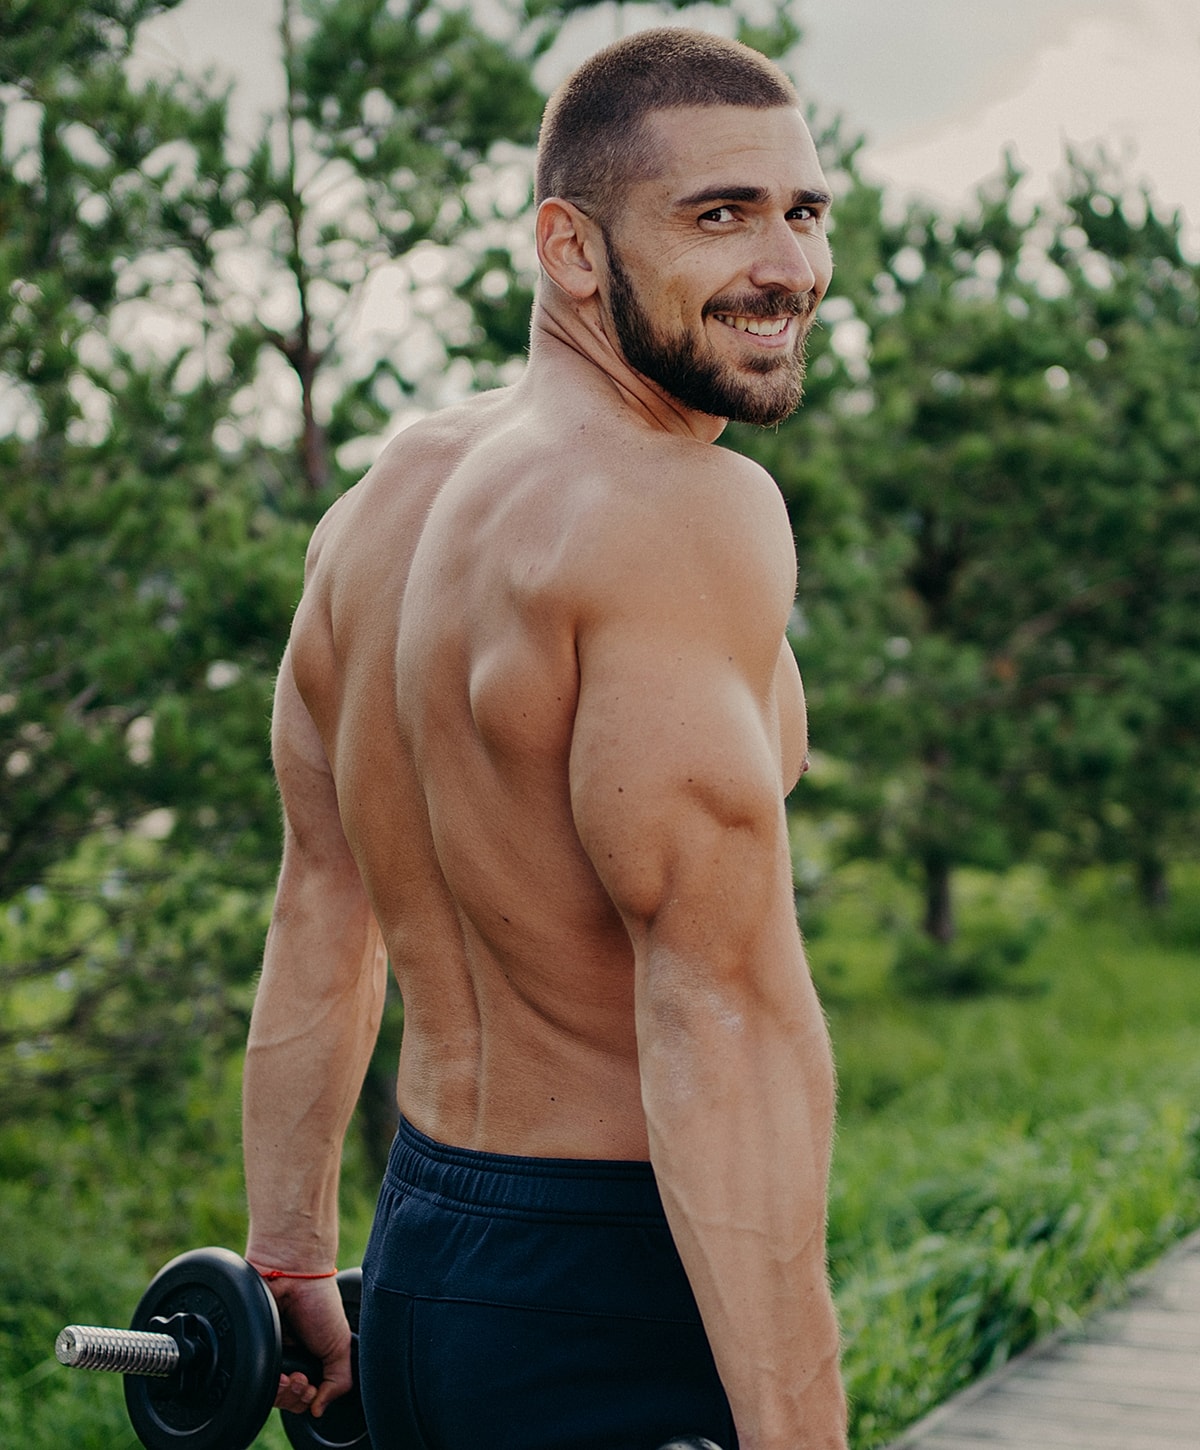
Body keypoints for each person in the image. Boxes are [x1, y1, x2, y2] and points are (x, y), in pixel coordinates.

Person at [242, 25, 848, 1450]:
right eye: (719, 216)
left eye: (804, 211)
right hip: (615, 1279)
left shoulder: (384, 506)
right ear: (571, 250)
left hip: (430, 1257)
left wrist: (286, 1262)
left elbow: (323, 900)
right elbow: (725, 1015)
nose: (789, 267)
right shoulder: (683, 512)